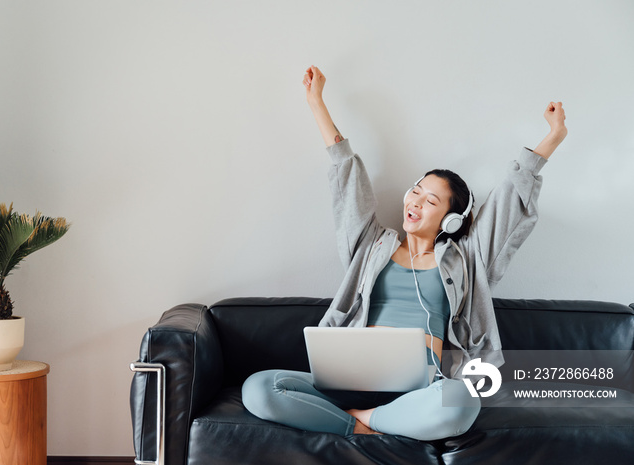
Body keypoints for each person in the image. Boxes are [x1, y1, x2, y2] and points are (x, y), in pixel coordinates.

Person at [242, 66, 568, 439]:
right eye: (416, 190)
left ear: (450, 221)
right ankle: (365, 422)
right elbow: (346, 176)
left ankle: (365, 420)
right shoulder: (370, 245)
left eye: (430, 201)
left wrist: (552, 137)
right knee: (259, 388)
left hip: (422, 389)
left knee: (463, 400)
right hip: (350, 380)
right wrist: (316, 102)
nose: (415, 201)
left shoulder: (466, 259)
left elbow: (508, 202)